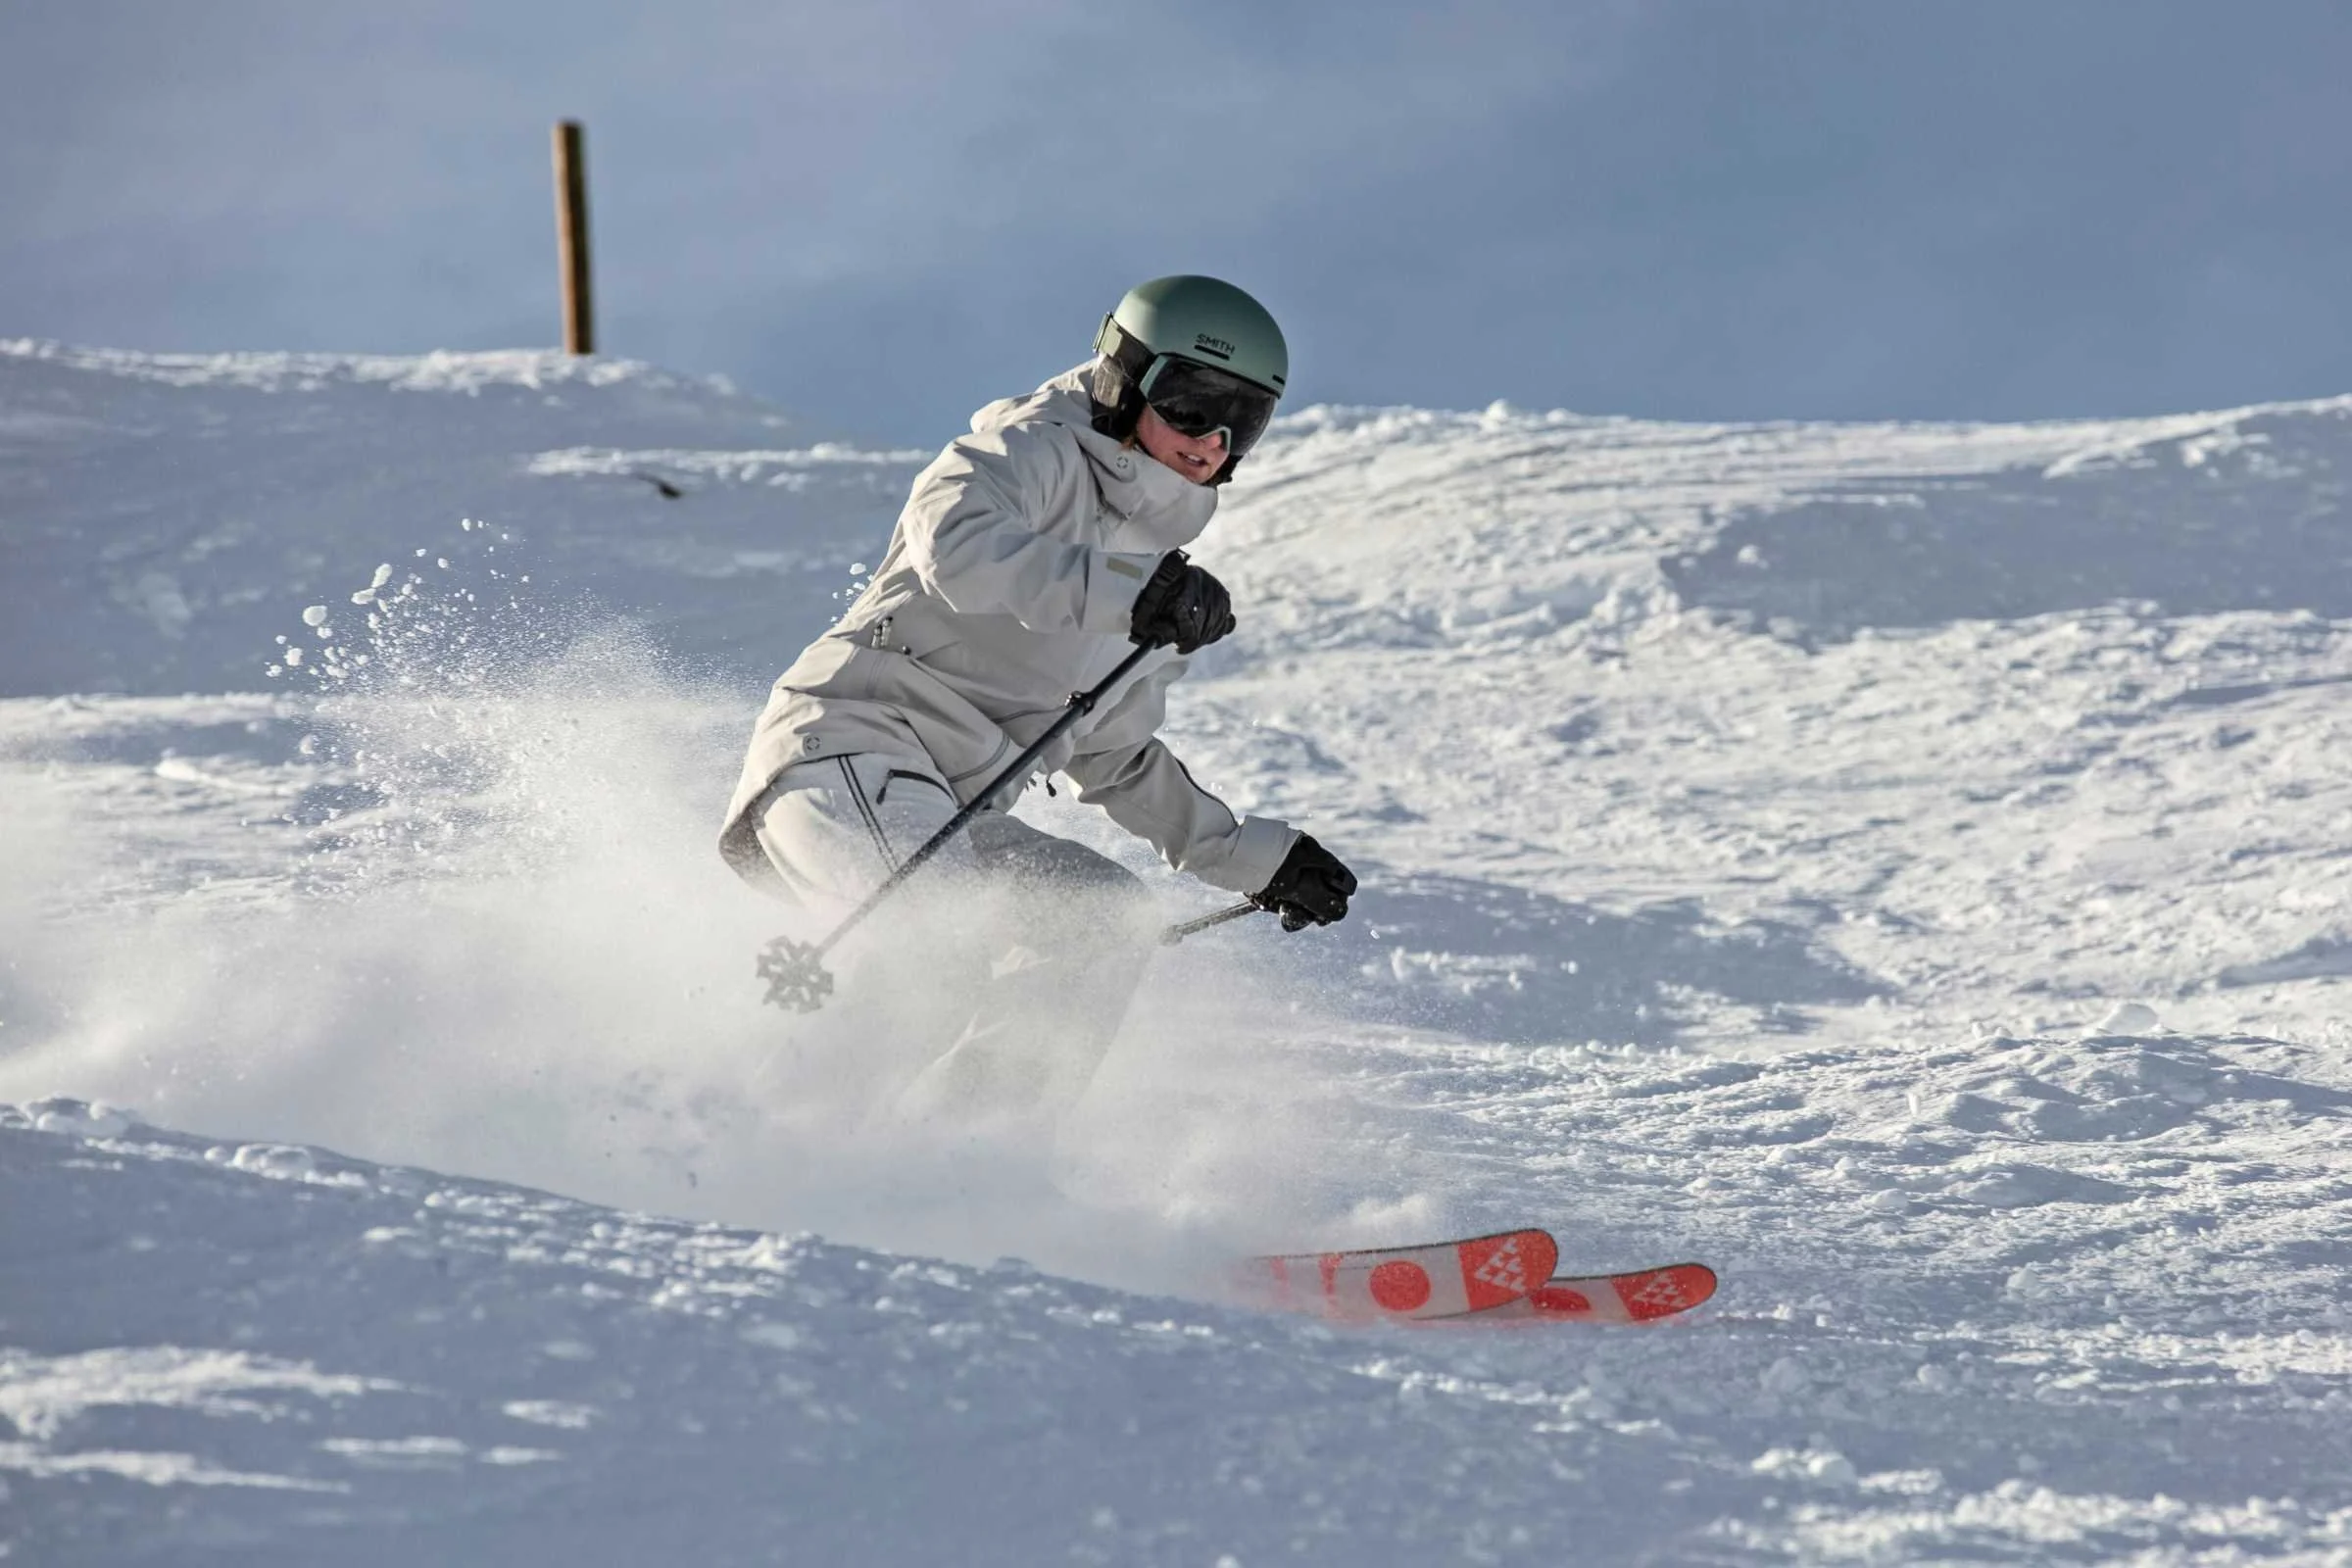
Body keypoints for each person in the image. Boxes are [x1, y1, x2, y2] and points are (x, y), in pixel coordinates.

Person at [718, 274, 1357, 1120]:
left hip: (952, 811)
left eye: (1245, 420)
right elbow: (957, 549)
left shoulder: (1155, 580)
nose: (1213, 439)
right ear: (1126, 378)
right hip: (848, 749)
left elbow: (1114, 754)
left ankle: (969, 1158)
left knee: (1097, 921)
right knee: (935, 952)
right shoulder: (1028, 453)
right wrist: (1131, 595)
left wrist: (1254, 857)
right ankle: (756, 1145)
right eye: (1193, 402)